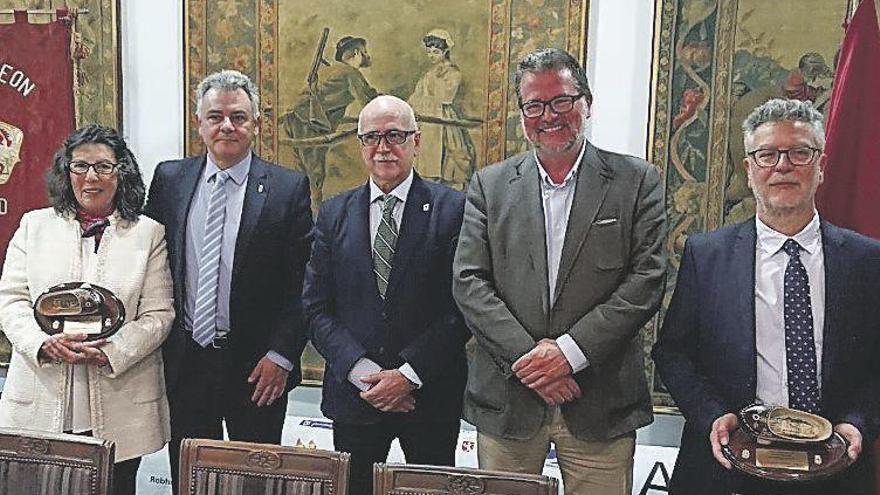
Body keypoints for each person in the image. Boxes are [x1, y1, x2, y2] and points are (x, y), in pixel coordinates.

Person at [452, 48, 667, 495]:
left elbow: (646, 281)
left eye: (561, 100)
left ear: (586, 102)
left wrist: (567, 354)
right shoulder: (488, 187)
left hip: (600, 404)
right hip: (509, 405)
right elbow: (469, 282)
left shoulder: (637, 181)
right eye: (534, 105)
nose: (548, 115)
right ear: (522, 113)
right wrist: (533, 362)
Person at [652, 98, 879, 494]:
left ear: (821, 166)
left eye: (799, 153)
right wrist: (712, 416)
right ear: (750, 169)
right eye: (767, 154)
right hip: (729, 464)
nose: (783, 165)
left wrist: (858, 421)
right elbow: (673, 353)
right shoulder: (706, 256)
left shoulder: (867, 260)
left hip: (836, 468)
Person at [145, 69, 313, 491]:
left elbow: (302, 284)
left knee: (255, 481)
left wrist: (282, 355)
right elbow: (150, 269)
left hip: (258, 370)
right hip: (186, 363)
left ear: (256, 123)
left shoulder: (286, 188)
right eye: (215, 116)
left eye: (238, 117)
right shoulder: (169, 180)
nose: (227, 126)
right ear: (199, 123)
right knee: (189, 477)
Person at [303, 95, 469, 495]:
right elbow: (316, 307)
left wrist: (407, 376)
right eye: (372, 137)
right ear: (361, 145)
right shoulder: (334, 212)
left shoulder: (453, 209)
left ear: (417, 141)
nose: (383, 147)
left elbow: (462, 308)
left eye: (395, 135)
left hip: (429, 398)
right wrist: (365, 376)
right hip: (355, 399)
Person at [0, 124, 174, 495]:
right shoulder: (34, 226)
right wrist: (41, 344)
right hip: (41, 400)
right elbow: (10, 299)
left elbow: (159, 315)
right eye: (79, 166)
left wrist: (112, 351)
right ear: (67, 172)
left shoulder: (148, 234)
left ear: (121, 172)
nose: (90, 177)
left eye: (103, 167)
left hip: (121, 401)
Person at [283, 36, 379, 206]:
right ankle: (313, 216)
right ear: (356, 53)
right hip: (310, 121)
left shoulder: (333, 70)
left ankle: (304, 210)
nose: (367, 56)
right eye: (364, 52)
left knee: (303, 172)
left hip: (297, 118)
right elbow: (367, 101)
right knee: (315, 174)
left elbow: (369, 94)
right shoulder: (350, 73)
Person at [407, 28, 476, 190]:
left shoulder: (452, 71)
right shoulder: (428, 74)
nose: (432, 56)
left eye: (436, 52)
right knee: (426, 155)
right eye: (429, 52)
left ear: (445, 52)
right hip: (426, 119)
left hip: (442, 118)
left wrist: (438, 79)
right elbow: (417, 95)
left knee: (451, 153)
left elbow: (446, 97)